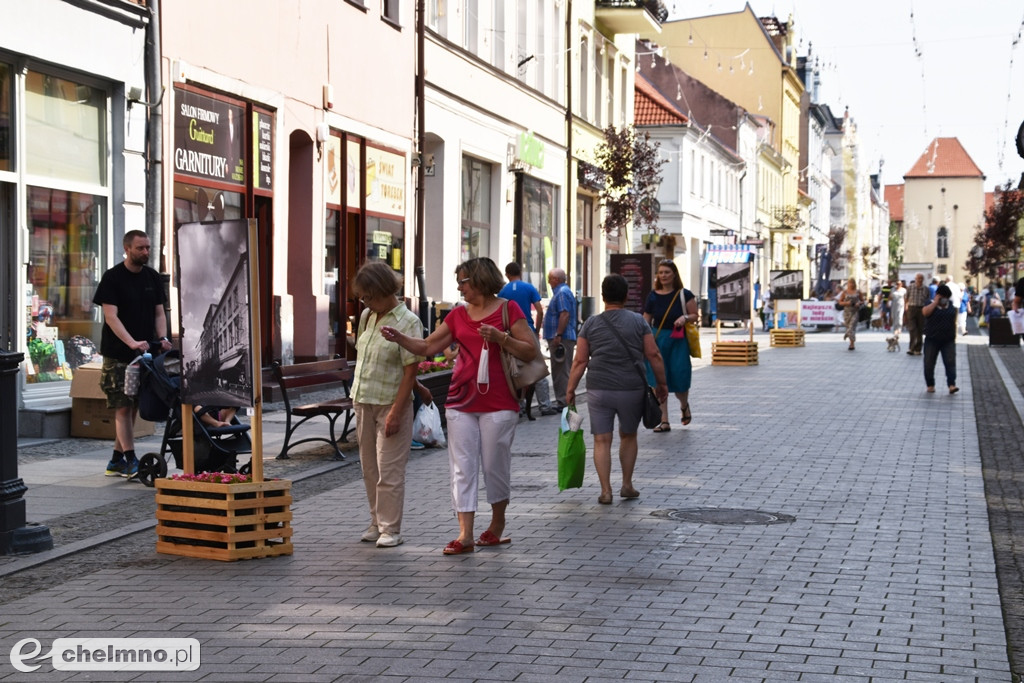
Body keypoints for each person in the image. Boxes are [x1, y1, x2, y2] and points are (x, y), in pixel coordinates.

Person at [380, 257, 537, 555]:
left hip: (500, 401)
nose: (459, 287)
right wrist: (400, 338)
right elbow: (428, 346)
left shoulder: (508, 310)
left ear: (479, 279)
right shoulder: (457, 315)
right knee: (462, 468)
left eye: (463, 281)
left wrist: (501, 338)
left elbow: (530, 351)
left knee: (494, 465)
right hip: (460, 400)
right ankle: (465, 534)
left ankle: (496, 525)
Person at [566, 274, 668, 505]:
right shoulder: (638, 321)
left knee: (601, 440)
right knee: (628, 435)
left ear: (603, 296)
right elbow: (653, 354)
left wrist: (570, 388)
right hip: (631, 388)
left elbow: (580, 361)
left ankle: (605, 491)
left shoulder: (590, 324)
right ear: (626, 296)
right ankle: (627, 485)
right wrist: (662, 383)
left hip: (598, 389)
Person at [350, 262, 423, 549]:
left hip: (391, 403)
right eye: (362, 298)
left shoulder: (408, 321)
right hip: (363, 399)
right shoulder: (367, 316)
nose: (365, 302)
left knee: (389, 470)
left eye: (368, 296)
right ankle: (376, 522)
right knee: (369, 468)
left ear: (383, 290)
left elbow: (410, 371)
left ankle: (391, 528)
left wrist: (396, 412)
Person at [92, 230, 172, 480]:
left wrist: (163, 338)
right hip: (118, 355)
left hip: (145, 354)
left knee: (134, 405)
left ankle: (116, 461)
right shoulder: (113, 278)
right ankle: (130, 460)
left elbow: (159, 313)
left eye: (148, 247)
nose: (146, 252)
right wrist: (131, 342)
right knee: (123, 407)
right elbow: (111, 317)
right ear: (127, 249)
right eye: (140, 248)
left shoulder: (152, 277)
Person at [642, 259, 698, 431]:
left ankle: (684, 405)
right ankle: (664, 420)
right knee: (658, 378)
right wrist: (644, 339)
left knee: (680, 376)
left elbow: (695, 315)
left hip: (678, 340)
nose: (663, 275)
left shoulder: (684, 294)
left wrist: (685, 318)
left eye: (667, 272)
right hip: (658, 339)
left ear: (674, 274)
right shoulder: (653, 296)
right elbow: (646, 320)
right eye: (661, 272)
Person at [499, 262, 555, 416]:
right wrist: (536, 330)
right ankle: (544, 405)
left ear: (507, 274)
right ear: (520, 273)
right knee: (538, 367)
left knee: (515, 369)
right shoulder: (529, 288)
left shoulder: (503, 291)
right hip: (527, 330)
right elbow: (539, 310)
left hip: (510, 333)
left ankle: (519, 405)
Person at [542, 268, 578, 410]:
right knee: (560, 370)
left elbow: (564, 314)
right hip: (562, 337)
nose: (548, 282)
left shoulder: (562, 292)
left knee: (561, 371)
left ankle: (564, 402)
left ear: (556, 280)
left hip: (562, 338)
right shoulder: (562, 291)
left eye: (550, 279)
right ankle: (564, 402)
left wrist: (558, 334)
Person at [922, 284, 958, 394]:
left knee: (950, 362)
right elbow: (925, 313)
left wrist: (954, 335)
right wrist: (935, 303)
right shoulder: (929, 304)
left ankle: (951, 385)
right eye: (942, 297)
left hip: (948, 339)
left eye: (946, 297)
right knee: (929, 362)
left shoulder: (951, 306)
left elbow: (954, 321)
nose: (944, 300)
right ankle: (930, 385)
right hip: (932, 339)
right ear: (937, 295)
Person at [905, 273, 928, 355]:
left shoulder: (925, 288)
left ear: (923, 279)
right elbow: (906, 298)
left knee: (920, 329)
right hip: (911, 308)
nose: (919, 280)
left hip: (921, 309)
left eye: (921, 278)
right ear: (915, 279)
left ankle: (918, 349)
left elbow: (927, 299)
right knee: (912, 328)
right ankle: (911, 348)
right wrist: (906, 307)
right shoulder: (910, 287)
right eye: (918, 278)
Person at [838, 278, 863, 351]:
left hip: (855, 312)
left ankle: (852, 344)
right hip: (847, 313)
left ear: (855, 284)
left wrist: (859, 303)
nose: (851, 284)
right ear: (848, 284)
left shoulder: (858, 292)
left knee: (852, 327)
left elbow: (863, 301)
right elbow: (840, 302)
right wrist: (846, 303)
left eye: (852, 283)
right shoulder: (844, 292)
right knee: (849, 327)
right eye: (850, 283)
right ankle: (848, 334)